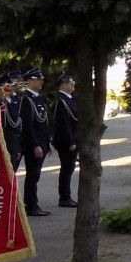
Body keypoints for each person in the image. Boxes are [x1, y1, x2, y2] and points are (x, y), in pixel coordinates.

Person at [19, 68, 51, 217]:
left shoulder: (38, 99)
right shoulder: (27, 100)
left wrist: (47, 143)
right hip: (33, 144)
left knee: (36, 175)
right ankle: (31, 205)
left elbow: (43, 124)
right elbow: (27, 125)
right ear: (30, 81)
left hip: (41, 142)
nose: (41, 82)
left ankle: (33, 203)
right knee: (32, 175)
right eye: (38, 79)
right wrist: (35, 145)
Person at [53, 72, 79, 208]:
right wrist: (70, 141)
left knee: (69, 168)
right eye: (70, 82)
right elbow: (63, 124)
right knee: (66, 169)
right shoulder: (61, 101)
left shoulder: (69, 99)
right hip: (66, 142)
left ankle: (66, 196)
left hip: (73, 139)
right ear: (62, 85)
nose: (73, 84)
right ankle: (64, 197)